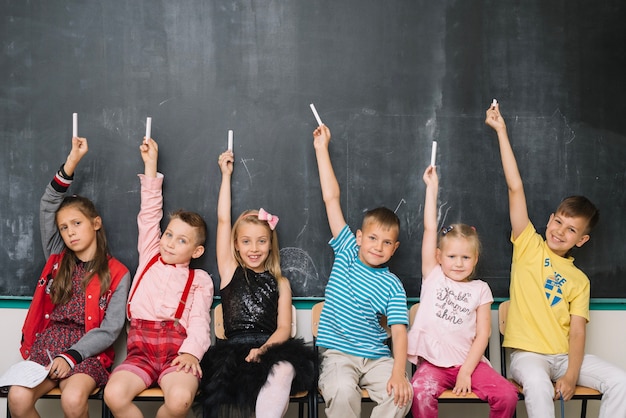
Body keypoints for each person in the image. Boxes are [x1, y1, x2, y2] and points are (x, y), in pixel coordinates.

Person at [486, 102, 626, 418]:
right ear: (549, 219)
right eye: (558, 221)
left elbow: (577, 333)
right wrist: (501, 131)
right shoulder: (528, 246)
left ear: (582, 240)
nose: (561, 231)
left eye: (571, 229)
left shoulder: (579, 281)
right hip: (528, 356)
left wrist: (572, 374)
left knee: (622, 382)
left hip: (564, 356)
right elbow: (515, 187)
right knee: (537, 384)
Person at [8, 137, 131, 418]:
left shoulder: (118, 272)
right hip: (47, 346)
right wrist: (71, 163)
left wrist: (71, 355)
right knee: (17, 397)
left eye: (77, 223)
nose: (70, 232)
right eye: (64, 228)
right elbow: (48, 204)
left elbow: (110, 330)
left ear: (96, 223)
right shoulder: (57, 256)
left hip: (86, 352)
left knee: (73, 399)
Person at [197, 149, 316, 418]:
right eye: (246, 241)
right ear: (236, 246)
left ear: (270, 244)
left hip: (270, 346)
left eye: (261, 241)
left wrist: (263, 350)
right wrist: (225, 176)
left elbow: (284, 328)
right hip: (233, 352)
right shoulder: (230, 271)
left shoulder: (281, 282)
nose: (254, 248)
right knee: (223, 380)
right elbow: (224, 220)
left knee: (284, 369)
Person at [103, 137, 214, 418]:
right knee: (113, 395)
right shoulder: (150, 254)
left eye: (181, 240)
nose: (169, 243)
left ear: (197, 250)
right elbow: (150, 212)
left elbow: (201, 322)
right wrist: (150, 165)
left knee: (179, 401)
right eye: (168, 234)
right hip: (140, 353)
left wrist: (191, 353)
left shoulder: (199, 279)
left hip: (177, 353)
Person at [312, 124, 412, 418]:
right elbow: (331, 198)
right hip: (338, 356)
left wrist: (398, 373)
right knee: (342, 391)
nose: (378, 247)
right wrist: (321, 150)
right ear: (358, 237)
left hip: (377, 358)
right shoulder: (346, 252)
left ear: (394, 249)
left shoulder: (393, 285)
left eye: (386, 243)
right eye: (371, 238)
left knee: (403, 396)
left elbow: (399, 333)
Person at [407, 165, 519, 418]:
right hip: (434, 365)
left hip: (470, 363)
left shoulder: (480, 289)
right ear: (439, 256)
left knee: (507, 395)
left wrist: (467, 370)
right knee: (420, 391)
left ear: (475, 259)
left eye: (466, 257)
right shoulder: (433, 275)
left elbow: (483, 335)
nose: (458, 263)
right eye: (452, 256)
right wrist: (432, 189)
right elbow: (428, 230)